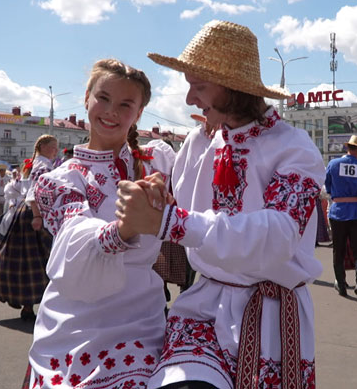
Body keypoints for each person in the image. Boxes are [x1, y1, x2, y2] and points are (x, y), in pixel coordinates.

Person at [126, 20, 325, 389]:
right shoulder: (201, 143)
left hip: (268, 314)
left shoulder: (294, 147)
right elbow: (179, 205)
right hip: (203, 304)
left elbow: (279, 235)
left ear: (233, 88)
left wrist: (171, 221)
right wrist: (158, 194)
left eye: (198, 86)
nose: (189, 99)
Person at [23, 59, 174, 389]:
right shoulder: (61, 178)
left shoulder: (158, 160)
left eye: (125, 104)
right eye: (103, 98)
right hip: (79, 317)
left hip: (143, 315)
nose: (112, 112)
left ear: (139, 112)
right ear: (87, 97)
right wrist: (125, 227)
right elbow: (75, 235)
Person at [0, 135, 57, 322]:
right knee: (38, 262)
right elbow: (34, 193)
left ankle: (24, 302)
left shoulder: (39, 163)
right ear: (41, 147)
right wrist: (37, 216)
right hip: (33, 215)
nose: (55, 151)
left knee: (27, 262)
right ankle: (28, 303)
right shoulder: (42, 165)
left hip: (29, 214)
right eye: (52, 147)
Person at [325, 135, 357, 306]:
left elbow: (328, 187)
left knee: (338, 250)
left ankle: (341, 283)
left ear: (347, 148)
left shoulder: (332, 164)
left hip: (338, 211)